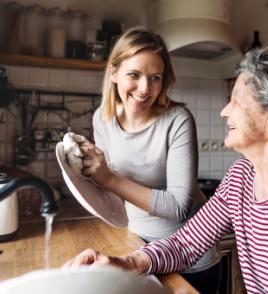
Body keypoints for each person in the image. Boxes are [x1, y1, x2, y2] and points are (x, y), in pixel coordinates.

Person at [66, 47, 268, 293]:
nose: (225, 111)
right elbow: (186, 243)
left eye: (237, 101)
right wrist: (128, 263)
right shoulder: (241, 176)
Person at [77, 27, 221, 293]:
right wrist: (86, 171)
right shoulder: (102, 119)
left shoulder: (178, 120)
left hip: (189, 256)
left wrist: (108, 177)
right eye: (134, 75)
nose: (145, 89)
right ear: (114, 73)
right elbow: (111, 193)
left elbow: (178, 206)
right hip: (137, 246)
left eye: (155, 77)